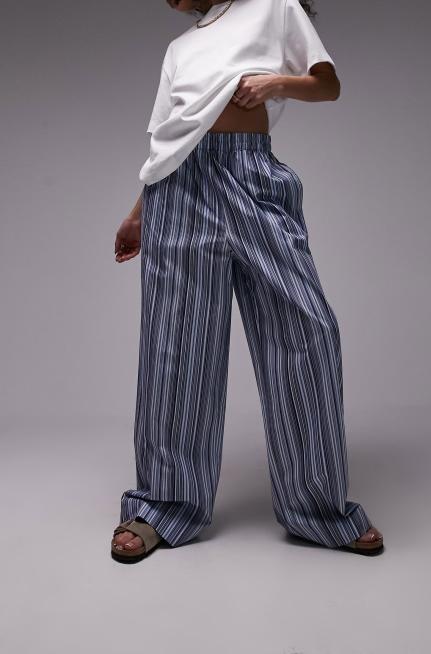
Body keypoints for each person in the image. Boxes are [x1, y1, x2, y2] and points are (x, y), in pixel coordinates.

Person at [111, 0, 384, 563]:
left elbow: (327, 85)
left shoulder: (272, 6)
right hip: (178, 191)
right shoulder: (179, 49)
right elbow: (167, 141)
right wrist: (139, 211)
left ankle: (318, 508)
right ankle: (163, 507)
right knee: (176, 350)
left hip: (251, 174)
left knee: (308, 331)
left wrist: (274, 84)